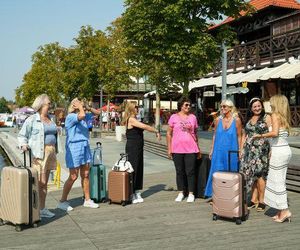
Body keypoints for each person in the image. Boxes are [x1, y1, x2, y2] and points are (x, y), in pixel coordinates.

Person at [253, 95, 292, 223]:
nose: (269, 103)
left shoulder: (275, 115)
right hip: (284, 149)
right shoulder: (284, 117)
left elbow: (274, 133)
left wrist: (260, 135)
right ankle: (281, 210)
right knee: (279, 180)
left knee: (278, 181)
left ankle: (285, 210)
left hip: (279, 151)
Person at [18, 94, 58, 218]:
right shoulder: (32, 120)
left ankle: (42, 208)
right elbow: (21, 135)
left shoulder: (51, 118)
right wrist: (23, 145)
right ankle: (35, 209)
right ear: (41, 105)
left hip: (51, 152)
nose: (50, 105)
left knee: (44, 183)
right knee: (40, 182)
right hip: (39, 154)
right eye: (48, 103)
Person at [57, 98, 99, 211]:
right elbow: (80, 116)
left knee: (85, 174)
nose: (82, 106)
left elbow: (99, 113)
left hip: (84, 146)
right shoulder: (71, 117)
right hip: (74, 147)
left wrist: (88, 107)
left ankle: (87, 200)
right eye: (80, 104)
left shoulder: (85, 115)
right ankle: (62, 201)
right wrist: (80, 108)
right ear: (75, 106)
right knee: (73, 176)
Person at [123, 102, 161, 204]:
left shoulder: (135, 119)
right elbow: (145, 127)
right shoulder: (131, 120)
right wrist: (156, 131)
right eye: (135, 107)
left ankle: (137, 190)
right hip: (132, 148)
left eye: (138, 107)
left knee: (139, 167)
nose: (137, 109)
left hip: (138, 147)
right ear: (131, 109)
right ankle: (131, 193)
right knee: (133, 168)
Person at [204, 99, 242, 198]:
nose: (222, 108)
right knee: (216, 172)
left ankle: (231, 195)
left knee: (231, 172)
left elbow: (240, 136)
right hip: (218, 150)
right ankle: (215, 196)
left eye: (224, 106)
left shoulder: (236, 120)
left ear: (230, 108)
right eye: (221, 106)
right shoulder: (217, 120)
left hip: (232, 151)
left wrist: (240, 150)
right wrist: (212, 149)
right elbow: (214, 135)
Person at [166, 97, 201, 203]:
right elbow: (168, 133)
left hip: (191, 148)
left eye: (190, 105)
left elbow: (195, 133)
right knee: (179, 171)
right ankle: (181, 192)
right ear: (181, 105)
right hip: (177, 148)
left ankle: (191, 193)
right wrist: (169, 149)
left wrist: (198, 148)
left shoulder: (193, 117)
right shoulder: (173, 117)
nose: (188, 107)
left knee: (190, 172)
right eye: (186, 105)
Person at [240, 97, 271, 211]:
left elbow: (272, 133)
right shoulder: (249, 118)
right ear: (251, 108)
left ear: (262, 106)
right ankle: (254, 199)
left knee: (260, 174)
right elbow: (244, 135)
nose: (257, 108)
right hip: (249, 150)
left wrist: (271, 150)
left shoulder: (267, 117)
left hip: (261, 150)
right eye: (255, 107)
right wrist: (241, 149)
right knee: (251, 174)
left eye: (259, 106)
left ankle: (262, 200)